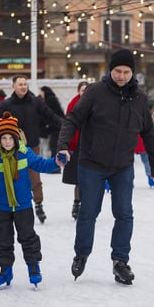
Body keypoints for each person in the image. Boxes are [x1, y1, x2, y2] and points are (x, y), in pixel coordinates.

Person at [57, 49, 154, 285]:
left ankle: (120, 261)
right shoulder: (95, 92)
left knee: (124, 213)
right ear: (110, 70)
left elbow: (148, 131)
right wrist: (63, 145)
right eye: (118, 71)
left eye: (126, 72)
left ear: (132, 72)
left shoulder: (139, 98)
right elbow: (73, 119)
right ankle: (81, 254)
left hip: (123, 166)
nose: (122, 76)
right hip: (92, 163)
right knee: (88, 212)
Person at [0, 112, 65, 288]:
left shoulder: (25, 153)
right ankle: (5, 270)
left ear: (16, 137)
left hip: (23, 206)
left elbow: (41, 164)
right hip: (3, 207)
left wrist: (56, 162)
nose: (7, 141)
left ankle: (33, 266)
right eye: (3, 138)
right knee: (3, 240)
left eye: (10, 137)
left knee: (27, 237)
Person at [0, 75, 64, 224]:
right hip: (11, 149)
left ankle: (39, 204)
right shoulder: (6, 105)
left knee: (35, 178)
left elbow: (50, 115)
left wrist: (65, 125)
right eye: (20, 84)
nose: (23, 87)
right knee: (15, 177)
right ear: (13, 86)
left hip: (32, 145)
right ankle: (15, 206)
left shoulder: (36, 102)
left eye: (25, 84)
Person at [62, 81, 88, 220]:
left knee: (89, 178)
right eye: (82, 90)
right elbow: (68, 125)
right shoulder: (73, 104)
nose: (84, 92)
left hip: (91, 145)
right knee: (78, 178)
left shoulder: (94, 103)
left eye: (86, 90)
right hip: (76, 145)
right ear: (78, 91)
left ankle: (87, 204)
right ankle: (77, 203)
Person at [39, 85, 65, 158]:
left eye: (41, 92)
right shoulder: (52, 98)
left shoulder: (49, 100)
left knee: (53, 146)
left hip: (55, 127)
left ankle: (54, 166)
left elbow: (48, 114)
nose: (41, 94)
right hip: (57, 126)